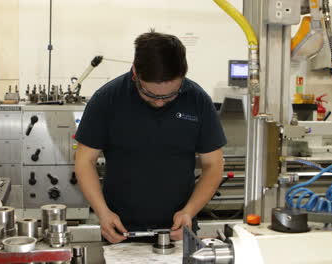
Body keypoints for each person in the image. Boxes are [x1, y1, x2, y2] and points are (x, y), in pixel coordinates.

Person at [74, 31, 226, 243]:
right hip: (119, 230)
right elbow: (84, 161)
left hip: (180, 230)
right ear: (135, 72)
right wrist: (103, 213)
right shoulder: (107, 100)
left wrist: (189, 212)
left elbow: (214, 165)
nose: (160, 102)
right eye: (152, 94)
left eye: (170, 95)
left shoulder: (197, 100)